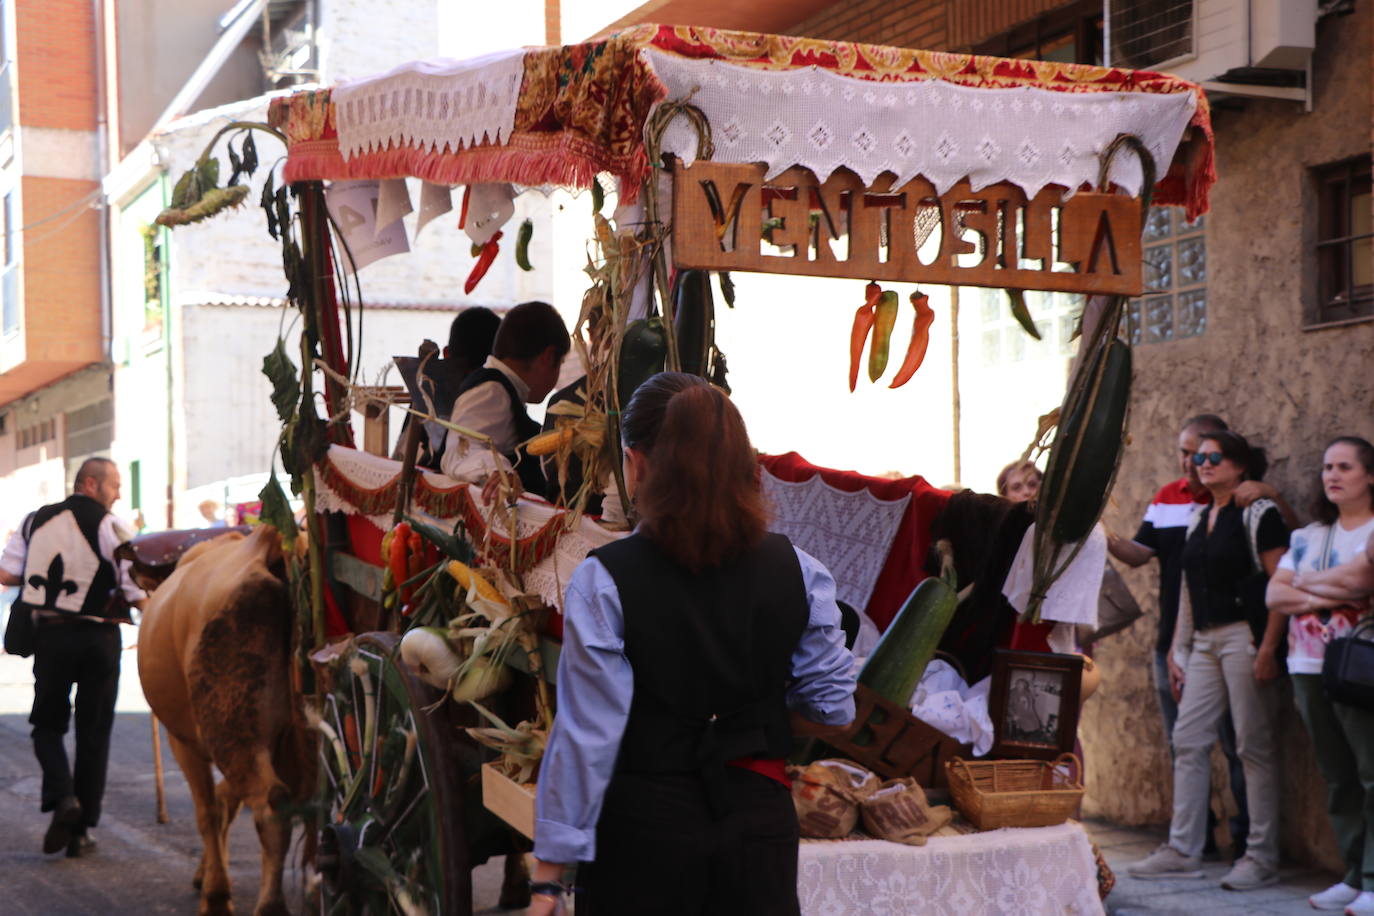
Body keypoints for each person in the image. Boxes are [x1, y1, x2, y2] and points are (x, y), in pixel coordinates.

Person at [528, 373, 857, 916]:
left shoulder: (605, 580)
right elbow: (833, 709)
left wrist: (547, 881)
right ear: (741, 466)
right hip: (758, 831)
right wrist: (751, 723)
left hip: (643, 838)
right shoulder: (799, 569)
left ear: (636, 465)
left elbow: (588, 738)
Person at [1108, 413, 1289, 856]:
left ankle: (1258, 851)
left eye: (1211, 456)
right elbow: (1181, 584)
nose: (1199, 463)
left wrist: (1266, 646)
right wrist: (1177, 647)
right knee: (1187, 741)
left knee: (1247, 745)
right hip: (1195, 640)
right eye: (1193, 455)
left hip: (1241, 637)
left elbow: (1282, 576)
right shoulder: (1190, 512)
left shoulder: (1257, 509)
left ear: (1239, 465)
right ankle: (1187, 847)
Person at [0, 458, 147, 858]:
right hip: (98, 637)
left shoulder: (34, 520)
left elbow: (7, 574)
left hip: (51, 636)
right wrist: (152, 613)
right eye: (114, 485)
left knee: (46, 725)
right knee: (93, 733)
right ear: (91, 483)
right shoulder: (109, 525)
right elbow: (131, 585)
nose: (118, 493)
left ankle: (63, 797)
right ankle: (81, 832)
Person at [1265, 436, 1374, 915]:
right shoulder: (1308, 535)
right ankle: (1352, 876)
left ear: (1369, 475)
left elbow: (1364, 581)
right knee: (1337, 776)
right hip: (1307, 664)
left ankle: (1373, 878)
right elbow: (1274, 597)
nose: (1332, 475)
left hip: (1362, 667)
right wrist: (1329, 593)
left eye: (1345, 467)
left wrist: (1304, 585)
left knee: (1372, 773)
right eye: (1328, 467)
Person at [440, 301, 569, 500]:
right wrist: (496, 470)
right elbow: (459, 451)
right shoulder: (492, 390)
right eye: (561, 363)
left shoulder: (501, 389)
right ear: (548, 357)